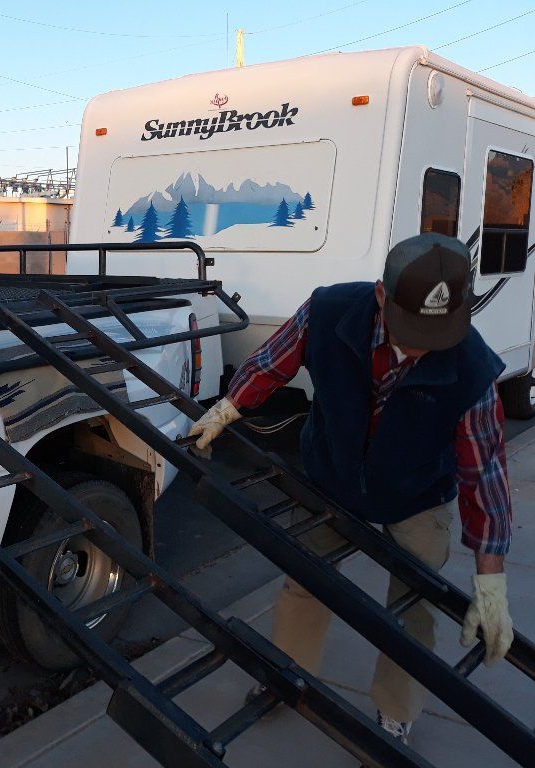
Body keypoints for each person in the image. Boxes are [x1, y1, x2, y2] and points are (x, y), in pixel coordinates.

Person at [188, 233, 514, 744]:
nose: (422, 346)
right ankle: (285, 673)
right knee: (306, 580)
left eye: (437, 332)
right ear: (382, 296)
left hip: (417, 492)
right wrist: (229, 406)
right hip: (333, 477)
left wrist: (491, 580)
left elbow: (485, 476)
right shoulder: (329, 309)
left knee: (417, 606)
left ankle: (396, 712)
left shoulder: (472, 369)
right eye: (412, 328)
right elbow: (273, 361)